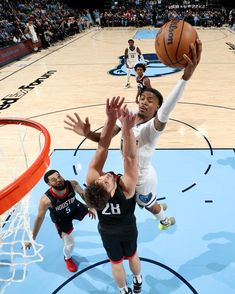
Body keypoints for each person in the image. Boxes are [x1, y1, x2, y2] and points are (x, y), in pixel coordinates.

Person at [64, 39, 202, 231]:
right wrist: (88, 134)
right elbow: (104, 140)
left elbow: (167, 110)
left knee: (148, 205)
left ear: (157, 108)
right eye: (143, 98)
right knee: (142, 202)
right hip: (131, 173)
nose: (145, 102)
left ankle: (163, 219)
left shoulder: (151, 129)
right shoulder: (128, 117)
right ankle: (156, 206)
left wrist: (184, 78)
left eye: (151, 100)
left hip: (142, 179)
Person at [84, 96, 142, 294]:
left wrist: (110, 120)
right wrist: (126, 128)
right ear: (111, 192)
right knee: (133, 256)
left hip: (107, 231)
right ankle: (137, 280)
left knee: (116, 262)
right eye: (107, 181)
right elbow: (130, 157)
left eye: (102, 179)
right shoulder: (125, 190)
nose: (106, 176)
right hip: (127, 229)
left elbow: (102, 146)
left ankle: (124, 290)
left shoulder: (93, 184)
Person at [25, 170, 95, 272]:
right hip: (62, 219)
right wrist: (32, 238)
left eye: (59, 176)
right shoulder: (46, 200)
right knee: (70, 245)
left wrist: (91, 206)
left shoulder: (72, 184)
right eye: (54, 180)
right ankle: (67, 258)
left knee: (98, 211)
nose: (58, 180)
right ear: (49, 184)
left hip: (76, 208)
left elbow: (83, 195)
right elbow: (39, 218)